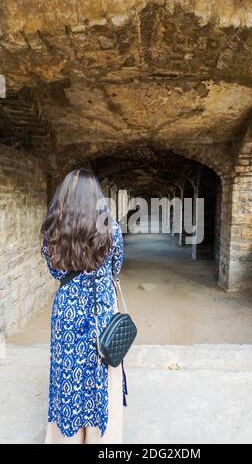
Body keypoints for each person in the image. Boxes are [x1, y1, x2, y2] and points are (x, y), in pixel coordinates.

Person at [40, 169, 127, 444]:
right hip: (101, 312)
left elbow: (55, 272)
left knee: (69, 376)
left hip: (67, 314)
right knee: (103, 376)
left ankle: (68, 436)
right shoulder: (111, 229)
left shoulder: (52, 230)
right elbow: (116, 268)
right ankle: (101, 437)